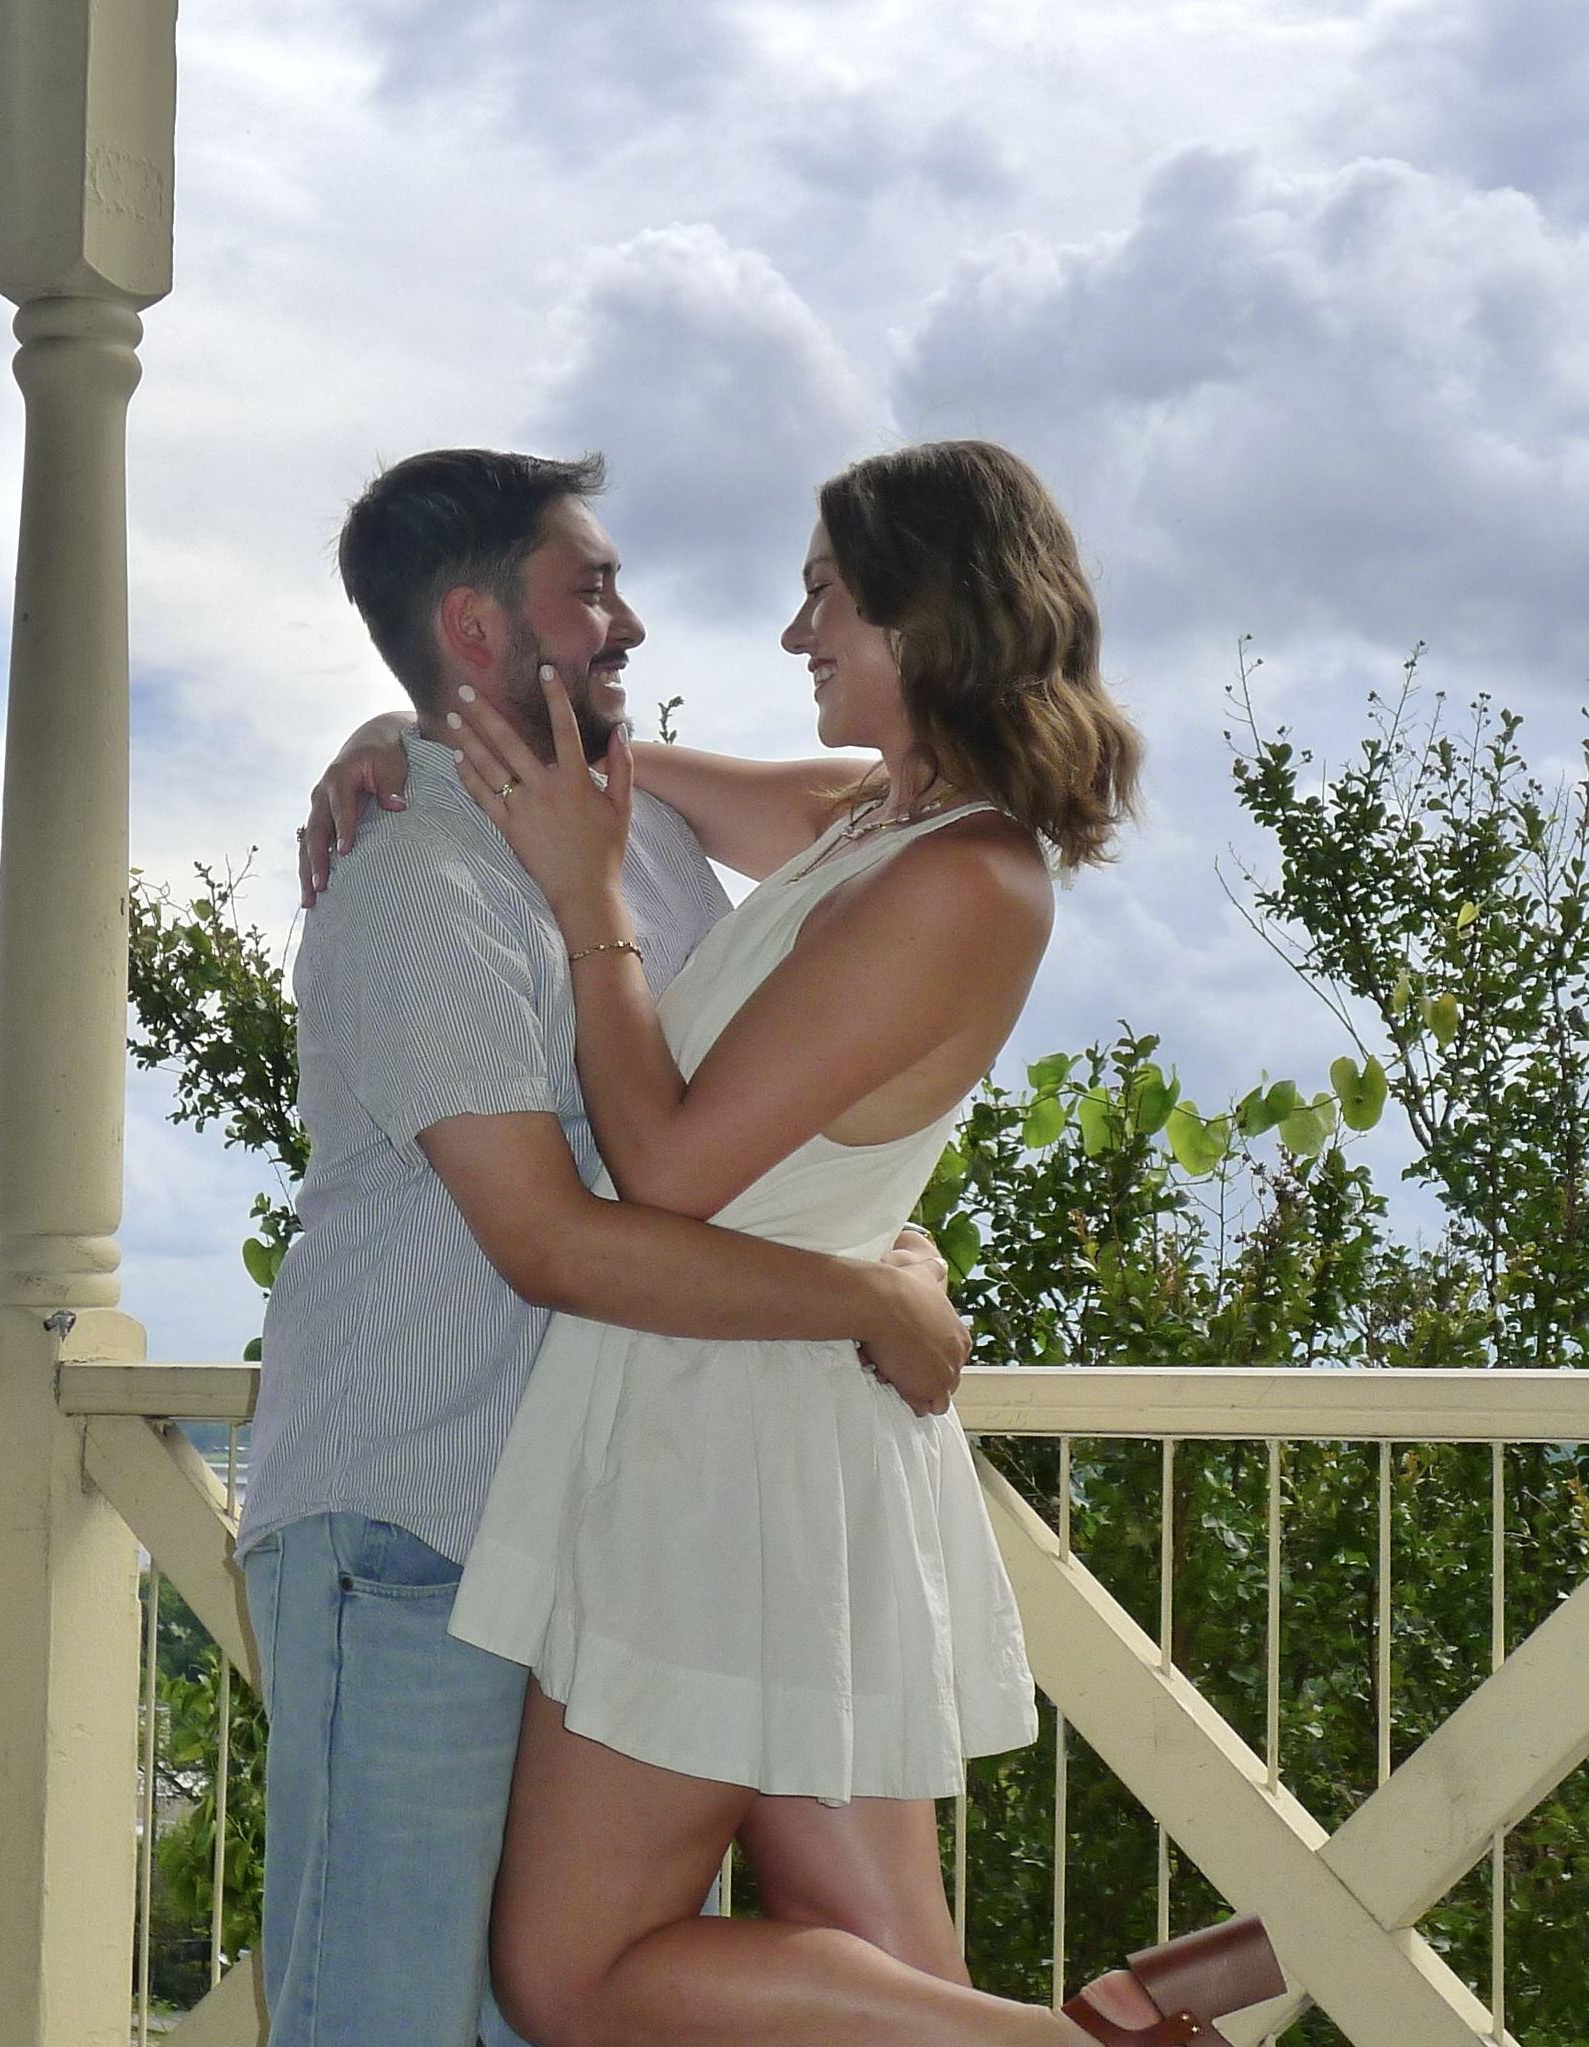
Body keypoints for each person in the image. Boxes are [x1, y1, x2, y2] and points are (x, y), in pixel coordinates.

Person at [312, 439, 1286, 2044]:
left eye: (827, 597)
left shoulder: (966, 880)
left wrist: (588, 906)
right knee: (879, 1963)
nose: (793, 637)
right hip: (773, 1426)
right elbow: (645, 768)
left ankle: (1086, 2044)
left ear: (928, 612)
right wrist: (419, 730)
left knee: (575, 1976)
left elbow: (669, 1171)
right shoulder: (874, 820)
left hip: (730, 1448)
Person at [237, 447, 979, 2047]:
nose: (632, 620)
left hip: (603, 1526)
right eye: (590, 591)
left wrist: (435, 718)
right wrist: (858, 1297)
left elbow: (885, 847)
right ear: (476, 626)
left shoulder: (631, 829)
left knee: (579, 2002)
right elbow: (555, 1245)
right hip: (414, 1526)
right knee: (389, 2014)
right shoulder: (415, 881)